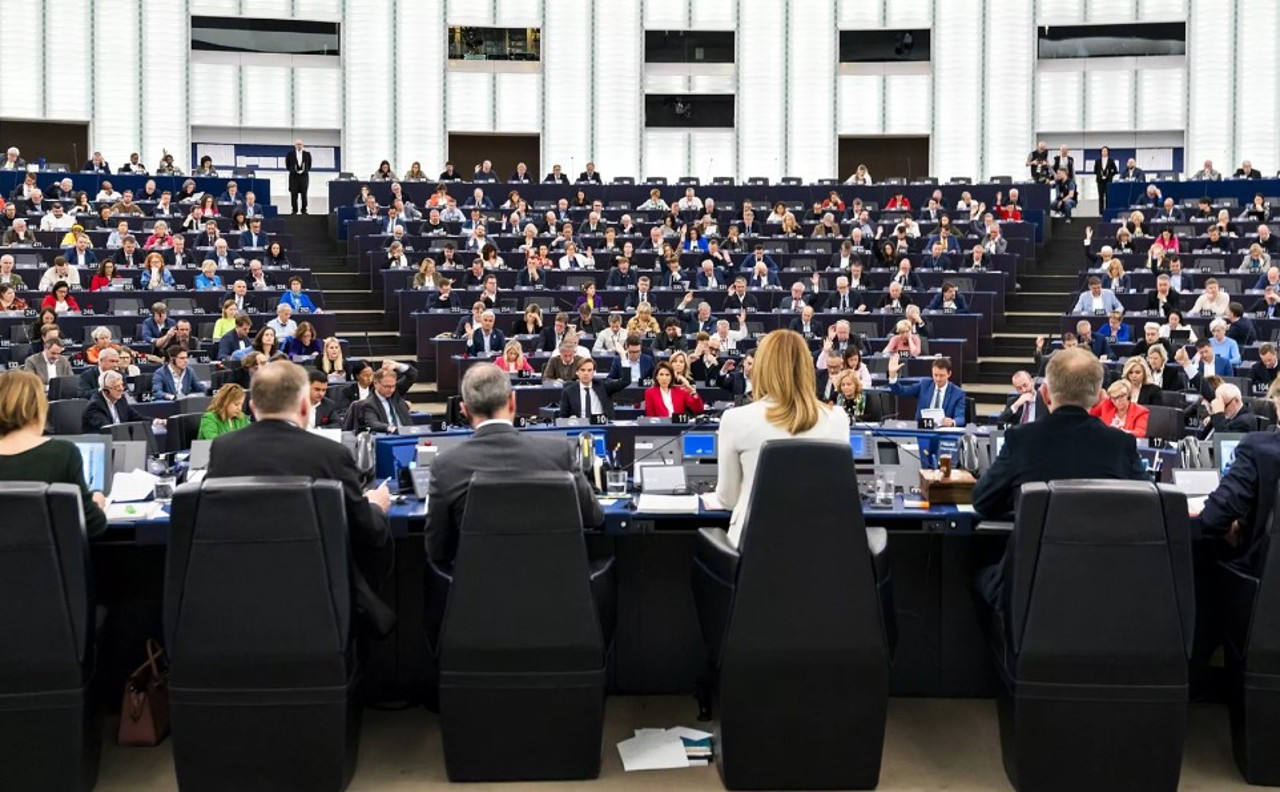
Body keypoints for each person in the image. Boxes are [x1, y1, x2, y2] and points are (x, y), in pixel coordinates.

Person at [206, 362, 394, 633]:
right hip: (321, 605)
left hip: (240, 603)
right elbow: (366, 529)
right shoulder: (331, 453)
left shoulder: (223, 449)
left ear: (253, 407)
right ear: (305, 407)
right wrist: (375, 506)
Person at [974, 347, 1148, 614]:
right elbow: (1146, 506)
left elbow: (983, 501)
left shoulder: (1021, 440)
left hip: (1030, 593)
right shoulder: (1121, 444)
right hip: (1106, 589)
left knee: (972, 567)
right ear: (1101, 397)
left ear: (1045, 394)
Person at [426, 364, 602, 568]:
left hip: (478, 593)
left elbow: (437, 550)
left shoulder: (446, 465)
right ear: (512, 402)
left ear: (464, 410)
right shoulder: (560, 453)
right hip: (556, 591)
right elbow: (595, 517)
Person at [711, 330, 849, 548]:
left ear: (762, 367)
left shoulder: (734, 419)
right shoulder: (838, 418)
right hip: (819, 552)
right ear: (806, 367)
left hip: (752, 553)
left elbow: (728, 499)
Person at [0, 371, 107, 536]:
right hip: (49, 560)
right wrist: (96, 503)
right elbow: (93, 525)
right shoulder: (63, 454)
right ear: (39, 406)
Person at [888, 355, 967, 426]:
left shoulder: (957, 393)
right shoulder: (924, 384)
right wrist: (892, 375)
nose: (938, 379)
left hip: (943, 431)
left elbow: (960, 418)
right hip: (922, 429)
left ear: (949, 374)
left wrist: (952, 422)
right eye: (935, 375)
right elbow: (901, 391)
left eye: (942, 375)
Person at [82, 370, 148, 432]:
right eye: (117, 387)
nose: (121, 389)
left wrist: (153, 421)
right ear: (106, 390)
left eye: (122, 385)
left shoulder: (121, 399)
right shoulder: (95, 406)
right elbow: (106, 428)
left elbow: (135, 417)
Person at [356, 365, 415, 433]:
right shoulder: (369, 403)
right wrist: (391, 428)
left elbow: (412, 374)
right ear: (375, 383)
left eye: (393, 386)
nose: (391, 390)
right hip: (389, 437)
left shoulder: (396, 393)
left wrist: (396, 365)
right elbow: (373, 423)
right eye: (387, 386)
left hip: (409, 434)